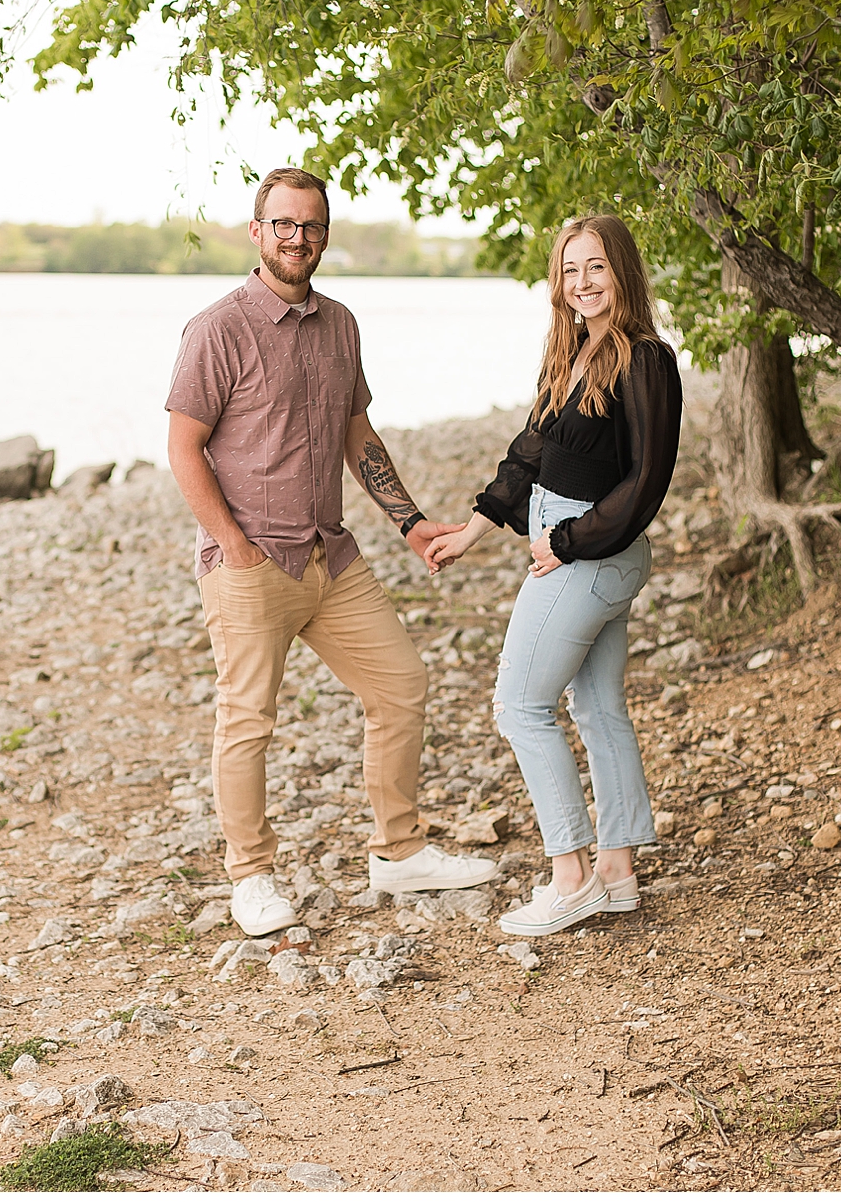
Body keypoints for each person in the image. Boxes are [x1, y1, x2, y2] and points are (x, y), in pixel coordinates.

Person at [165, 167, 500, 937]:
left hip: (330, 555)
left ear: (324, 235)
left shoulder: (341, 324)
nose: (298, 238)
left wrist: (410, 521)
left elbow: (357, 432)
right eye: (283, 224)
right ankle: (251, 876)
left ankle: (398, 850)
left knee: (402, 683)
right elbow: (184, 448)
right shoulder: (217, 328)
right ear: (257, 232)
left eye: (311, 225)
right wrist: (234, 545)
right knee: (248, 720)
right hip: (251, 563)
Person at [423, 214, 682, 937]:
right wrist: (472, 528)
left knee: (519, 706)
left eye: (596, 266)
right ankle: (617, 871)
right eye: (570, 270)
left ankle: (571, 878)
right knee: (597, 707)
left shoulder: (645, 359)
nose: (583, 282)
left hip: (592, 550)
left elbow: (646, 481)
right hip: (580, 548)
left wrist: (565, 541)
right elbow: (531, 452)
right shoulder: (572, 350)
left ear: (622, 271)